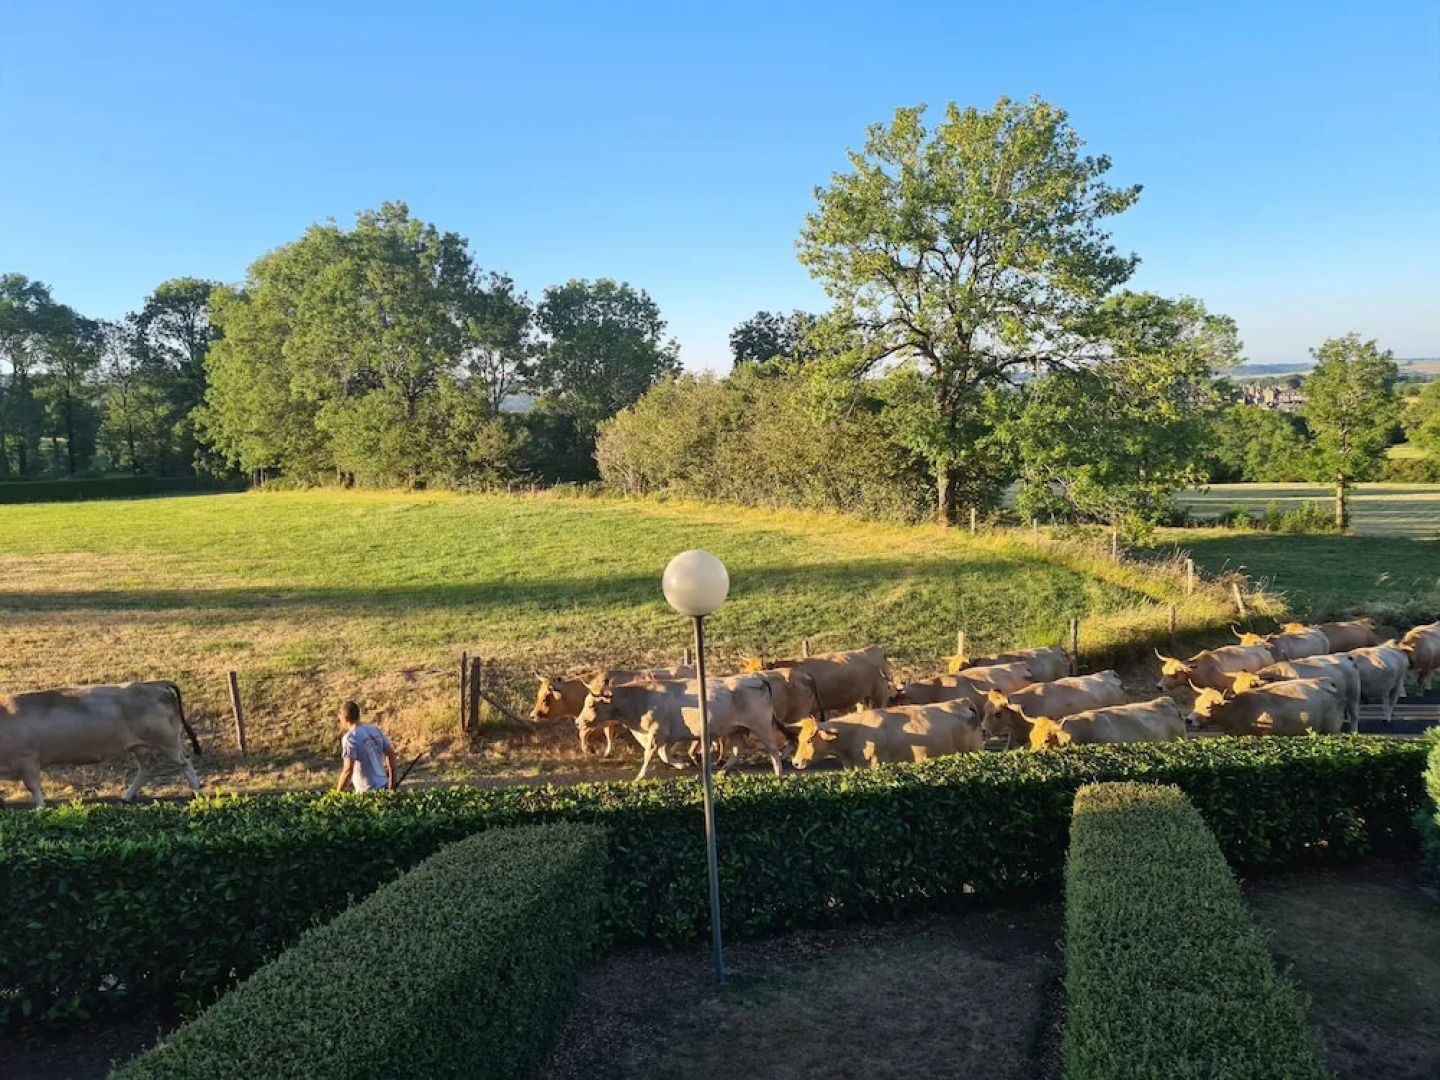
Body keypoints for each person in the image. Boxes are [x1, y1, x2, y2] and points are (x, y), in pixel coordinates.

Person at [335, 701, 398, 793]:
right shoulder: (374, 730)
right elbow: (391, 755)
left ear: (344, 718)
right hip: (383, 786)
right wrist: (392, 784)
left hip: (366, 792)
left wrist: (337, 794)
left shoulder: (350, 738)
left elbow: (348, 770)